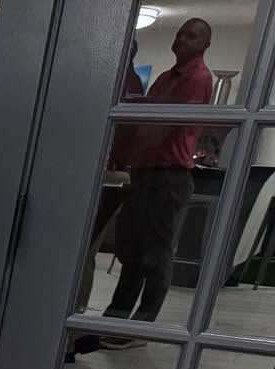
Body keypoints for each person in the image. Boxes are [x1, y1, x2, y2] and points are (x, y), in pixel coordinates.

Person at [99, 18, 213, 344]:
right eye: (180, 33)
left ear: (204, 45)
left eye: (191, 36)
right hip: (145, 173)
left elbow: (161, 126)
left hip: (168, 177)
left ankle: (141, 326)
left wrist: (132, 146)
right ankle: (117, 321)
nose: (182, 40)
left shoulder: (197, 78)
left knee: (154, 256)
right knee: (131, 252)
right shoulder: (165, 78)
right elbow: (140, 122)